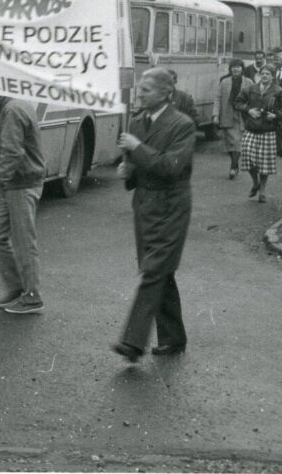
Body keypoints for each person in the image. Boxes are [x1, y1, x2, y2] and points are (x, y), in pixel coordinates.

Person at [112, 68, 195, 362]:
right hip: (145, 205)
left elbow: (171, 166)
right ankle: (173, 337)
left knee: (154, 270)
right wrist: (128, 171)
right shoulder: (136, 121)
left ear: (165, 93)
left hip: (171, 205)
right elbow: (139, 165)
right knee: (160, 270)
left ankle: (132, 342)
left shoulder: (182, 125)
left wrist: (137, 148)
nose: (139, 94)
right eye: (139, 89)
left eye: (146, 90)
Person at [0, 96, 47, 314]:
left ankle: (32, 297)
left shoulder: (12, 110)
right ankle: (17, 287)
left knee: (23, 242)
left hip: (21, 183)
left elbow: (12, 152)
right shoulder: (17, 104)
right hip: (14, 181)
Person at [234, 65, 282, 203]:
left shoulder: (278, 91)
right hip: (251, 128)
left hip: (268, 130)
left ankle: (262, 191)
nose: (264, 76)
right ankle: (255, 183)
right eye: (262, 73)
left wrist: (276, 116)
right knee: (247, 158)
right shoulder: (251, 89)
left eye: (268, 74)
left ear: (273, 76)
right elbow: (237, 102)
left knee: (264, 163)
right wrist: (248, 110)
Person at [216, 58, 253, 179]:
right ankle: (235, 165)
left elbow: (254, 98)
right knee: (230, 143)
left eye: (238, 67)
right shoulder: (224, 82)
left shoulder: (248, 82)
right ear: (230, 69)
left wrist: (252, 111)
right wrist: (215, 115)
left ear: (242, 69)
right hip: (227, 113)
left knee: (237, 142)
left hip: (242, 115)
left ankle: (232, 167)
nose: (236, 69)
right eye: (233, 67)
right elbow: (218, 98)